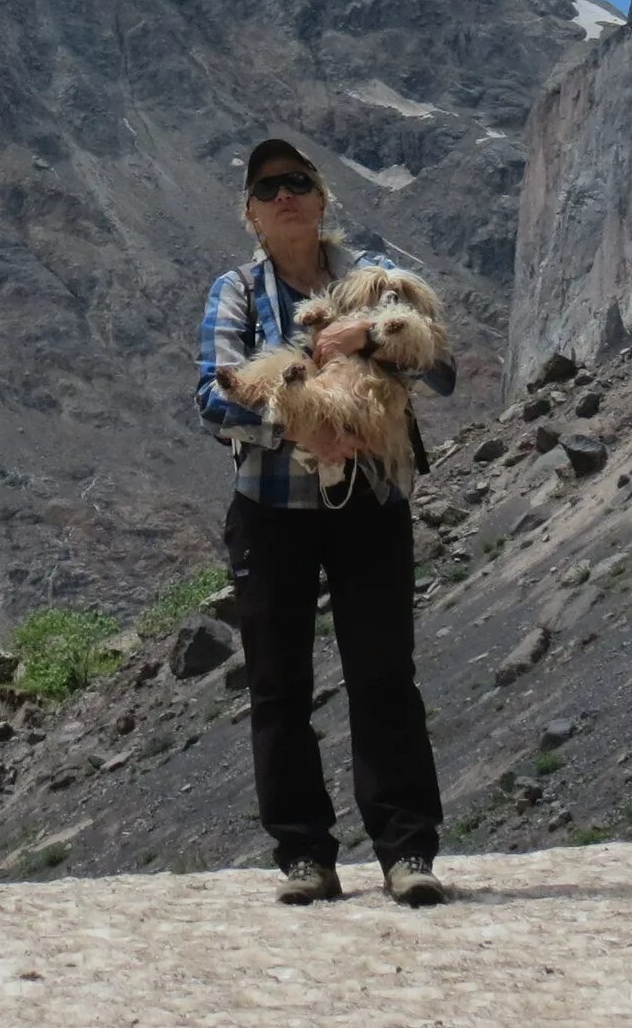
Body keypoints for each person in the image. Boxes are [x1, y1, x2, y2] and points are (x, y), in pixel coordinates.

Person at [194, 138, 454, 909]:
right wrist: (297, 429)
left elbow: (437, 364)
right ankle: (304, 856)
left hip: (369, 501)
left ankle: (407, 852)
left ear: (322, 198)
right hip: (271, 508)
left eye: (298, 183)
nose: (286, 197)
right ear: (250, 211)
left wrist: (365, 337)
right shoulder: (237, 292)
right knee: (279, 685)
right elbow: (215, 394)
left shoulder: (372, 279)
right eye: (269, 187)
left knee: (384, 675)